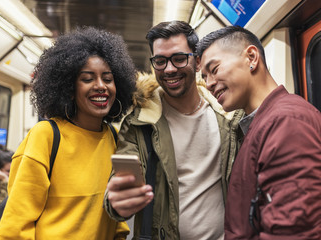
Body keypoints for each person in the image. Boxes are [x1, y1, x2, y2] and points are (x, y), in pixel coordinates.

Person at [197, 25, 321, 240]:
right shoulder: (261, 124)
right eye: (204, 77)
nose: (209, 83)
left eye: (215, 69)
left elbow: (292, 232)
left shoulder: (288, 123)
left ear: (251, 58)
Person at [104, 21, 243, 239]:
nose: (169, 69)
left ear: (197, 62)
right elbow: (121, 181)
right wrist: (117, 200)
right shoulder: (140, 123)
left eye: (179, 59)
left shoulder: (228, 117)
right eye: (160, 61)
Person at [0, 26, 136, 240]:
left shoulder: (114, 138)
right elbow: (16, 226)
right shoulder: (46, 136)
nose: (101, 86)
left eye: (107, 79)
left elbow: (113, 220)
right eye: (88, 79)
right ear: (69, 88)